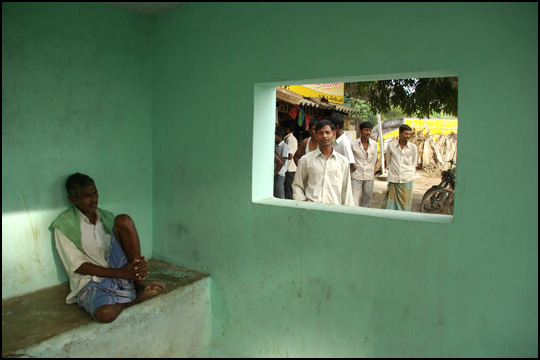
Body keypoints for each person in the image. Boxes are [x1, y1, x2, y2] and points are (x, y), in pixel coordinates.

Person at [51, 173, 165, 323]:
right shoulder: (64, 226)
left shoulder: (106, 217)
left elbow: (122, 247)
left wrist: (130, 273)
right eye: (87, 196)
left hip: (119, 271)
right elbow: (79, 266)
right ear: (73, 199)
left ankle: (138, 282)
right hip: (92, 281)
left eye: (95, 193)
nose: (94, 199)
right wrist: (122, 273)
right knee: (105, 315)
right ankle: (134, 296)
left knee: (124, 220)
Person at [292, 120, 354, 206]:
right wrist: (302, 204)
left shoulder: (343, 162)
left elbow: (347, 191)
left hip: (335, 211)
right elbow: (297, 185)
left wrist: (348, 211)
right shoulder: (306, 160)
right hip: (311, 211)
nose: (324, 136)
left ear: (334, 134)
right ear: (316, 136)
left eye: (327, 132)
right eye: (321, 133)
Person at [382, 124, 418, 211]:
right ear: (400, 133)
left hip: (407, 179)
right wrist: (392, 172)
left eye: (409, 134)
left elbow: (414, 163)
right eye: (405, 134)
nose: (407, 136)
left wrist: (410, 173)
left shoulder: (413, 147)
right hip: (394, 179)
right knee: (390, 206)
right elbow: (389, 161)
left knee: (405, 206)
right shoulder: (391, 146)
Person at [351, 121, 378, 207]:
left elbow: (374, 160)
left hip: (369, 176)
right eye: (366, 130)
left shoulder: (374, 144)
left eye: (370, 130)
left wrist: (373, 171)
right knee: (354, 200)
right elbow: (351, 160)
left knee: (367, 201)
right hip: (356, 176)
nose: (368, 133)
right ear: (360, 131)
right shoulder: (353, 144)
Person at [282, 121, 298, 200]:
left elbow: (290, 155)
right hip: (291, 167)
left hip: (289, 168)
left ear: (287, 129)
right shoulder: (292, 138)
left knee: (288, 189)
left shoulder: (289, 139)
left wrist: (281, 155)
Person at [274, 127, 289, 199]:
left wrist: (275, 153)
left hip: (280, 173)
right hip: (275, 172)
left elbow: (283, 162)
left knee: (280, 193)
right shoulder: (276, 145)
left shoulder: (285, 146)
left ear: (279, 136)